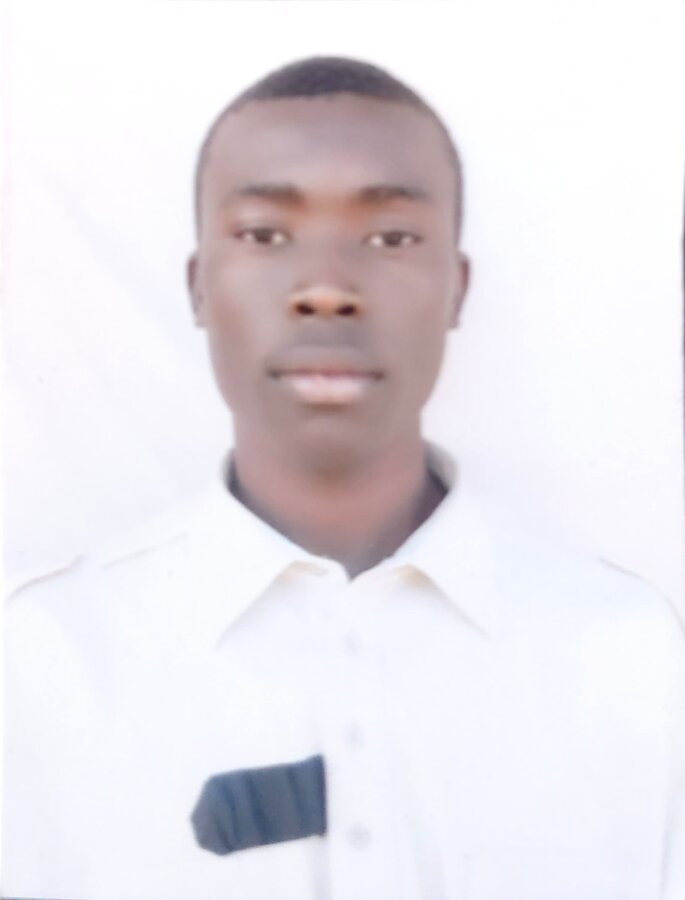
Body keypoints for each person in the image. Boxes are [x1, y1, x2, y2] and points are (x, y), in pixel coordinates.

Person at [3, 56, 683, 900]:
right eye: (264, 234)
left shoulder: (628, 657)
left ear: (456, 288)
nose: (326, 289)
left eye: (390, 237)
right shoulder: (44, 663)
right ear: (198, 287)